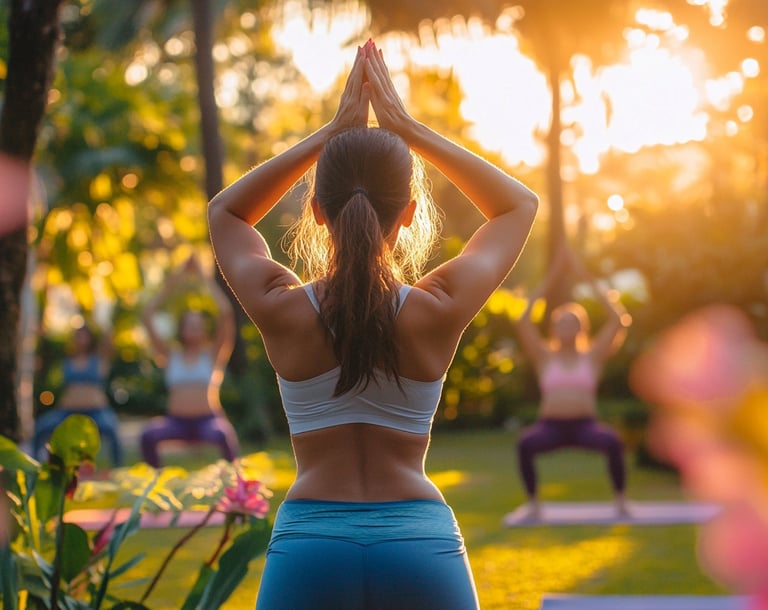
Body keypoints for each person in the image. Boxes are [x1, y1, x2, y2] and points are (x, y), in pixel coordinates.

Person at [208, 39, 538, 610]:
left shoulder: (281, 306)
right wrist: (407, 129)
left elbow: (225, 213)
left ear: (316, 211)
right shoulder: (437, 308)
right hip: (420, 543)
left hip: (310, 542)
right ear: (408, 214)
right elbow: (517, 206)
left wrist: (327, 135)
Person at [514, 243, 631, 519]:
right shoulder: (544, 356)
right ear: (554, 328)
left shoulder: (592, 357)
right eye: (562, 323)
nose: (567, 327)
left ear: (581, 327)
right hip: (551, 427)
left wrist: (584, 276)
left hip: (584, 426)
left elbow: (618, 319)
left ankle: (621, 501)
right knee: (525, 444)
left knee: (613, 442)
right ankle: (534, 503)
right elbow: (523, 320)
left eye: (572, 322)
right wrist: (552, 276)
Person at [140, 252, 240, 468]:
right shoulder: (170, 354)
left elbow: (225, 314)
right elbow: (148, 314)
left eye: (197, 323)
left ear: (204, 328)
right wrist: (176, 279)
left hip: (208, 421)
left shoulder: (213, 354)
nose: (193, 328)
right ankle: (156, 483)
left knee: (223, 434)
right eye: (189, 324)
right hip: (176, 422)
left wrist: (204, 277)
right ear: (181, 329)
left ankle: (234, 487)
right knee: (148, 435)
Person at [32, 324, 123, 466]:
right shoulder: (67, 360)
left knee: (111, 429)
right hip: (67, 412)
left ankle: (118, 469)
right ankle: (35, 466)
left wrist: (104, 322)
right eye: (78, 335)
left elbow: (109, 344)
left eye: (84, 335)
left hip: (96, 411)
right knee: (41, 427)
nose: (81, 339)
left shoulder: (99, 360)